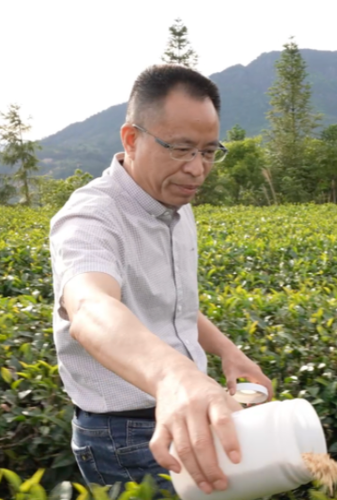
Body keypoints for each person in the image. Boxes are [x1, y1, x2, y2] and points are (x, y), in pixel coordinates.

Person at [50, 64, 274, 495]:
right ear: (132, 139)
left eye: (209, 151)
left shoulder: (173, 202)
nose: (196, 169)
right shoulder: (90, 217)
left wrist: (228, 352)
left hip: (185, 411)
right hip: (126, 433)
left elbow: (168, 304)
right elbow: (90, 307)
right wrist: (177, 377)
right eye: (181, 149)